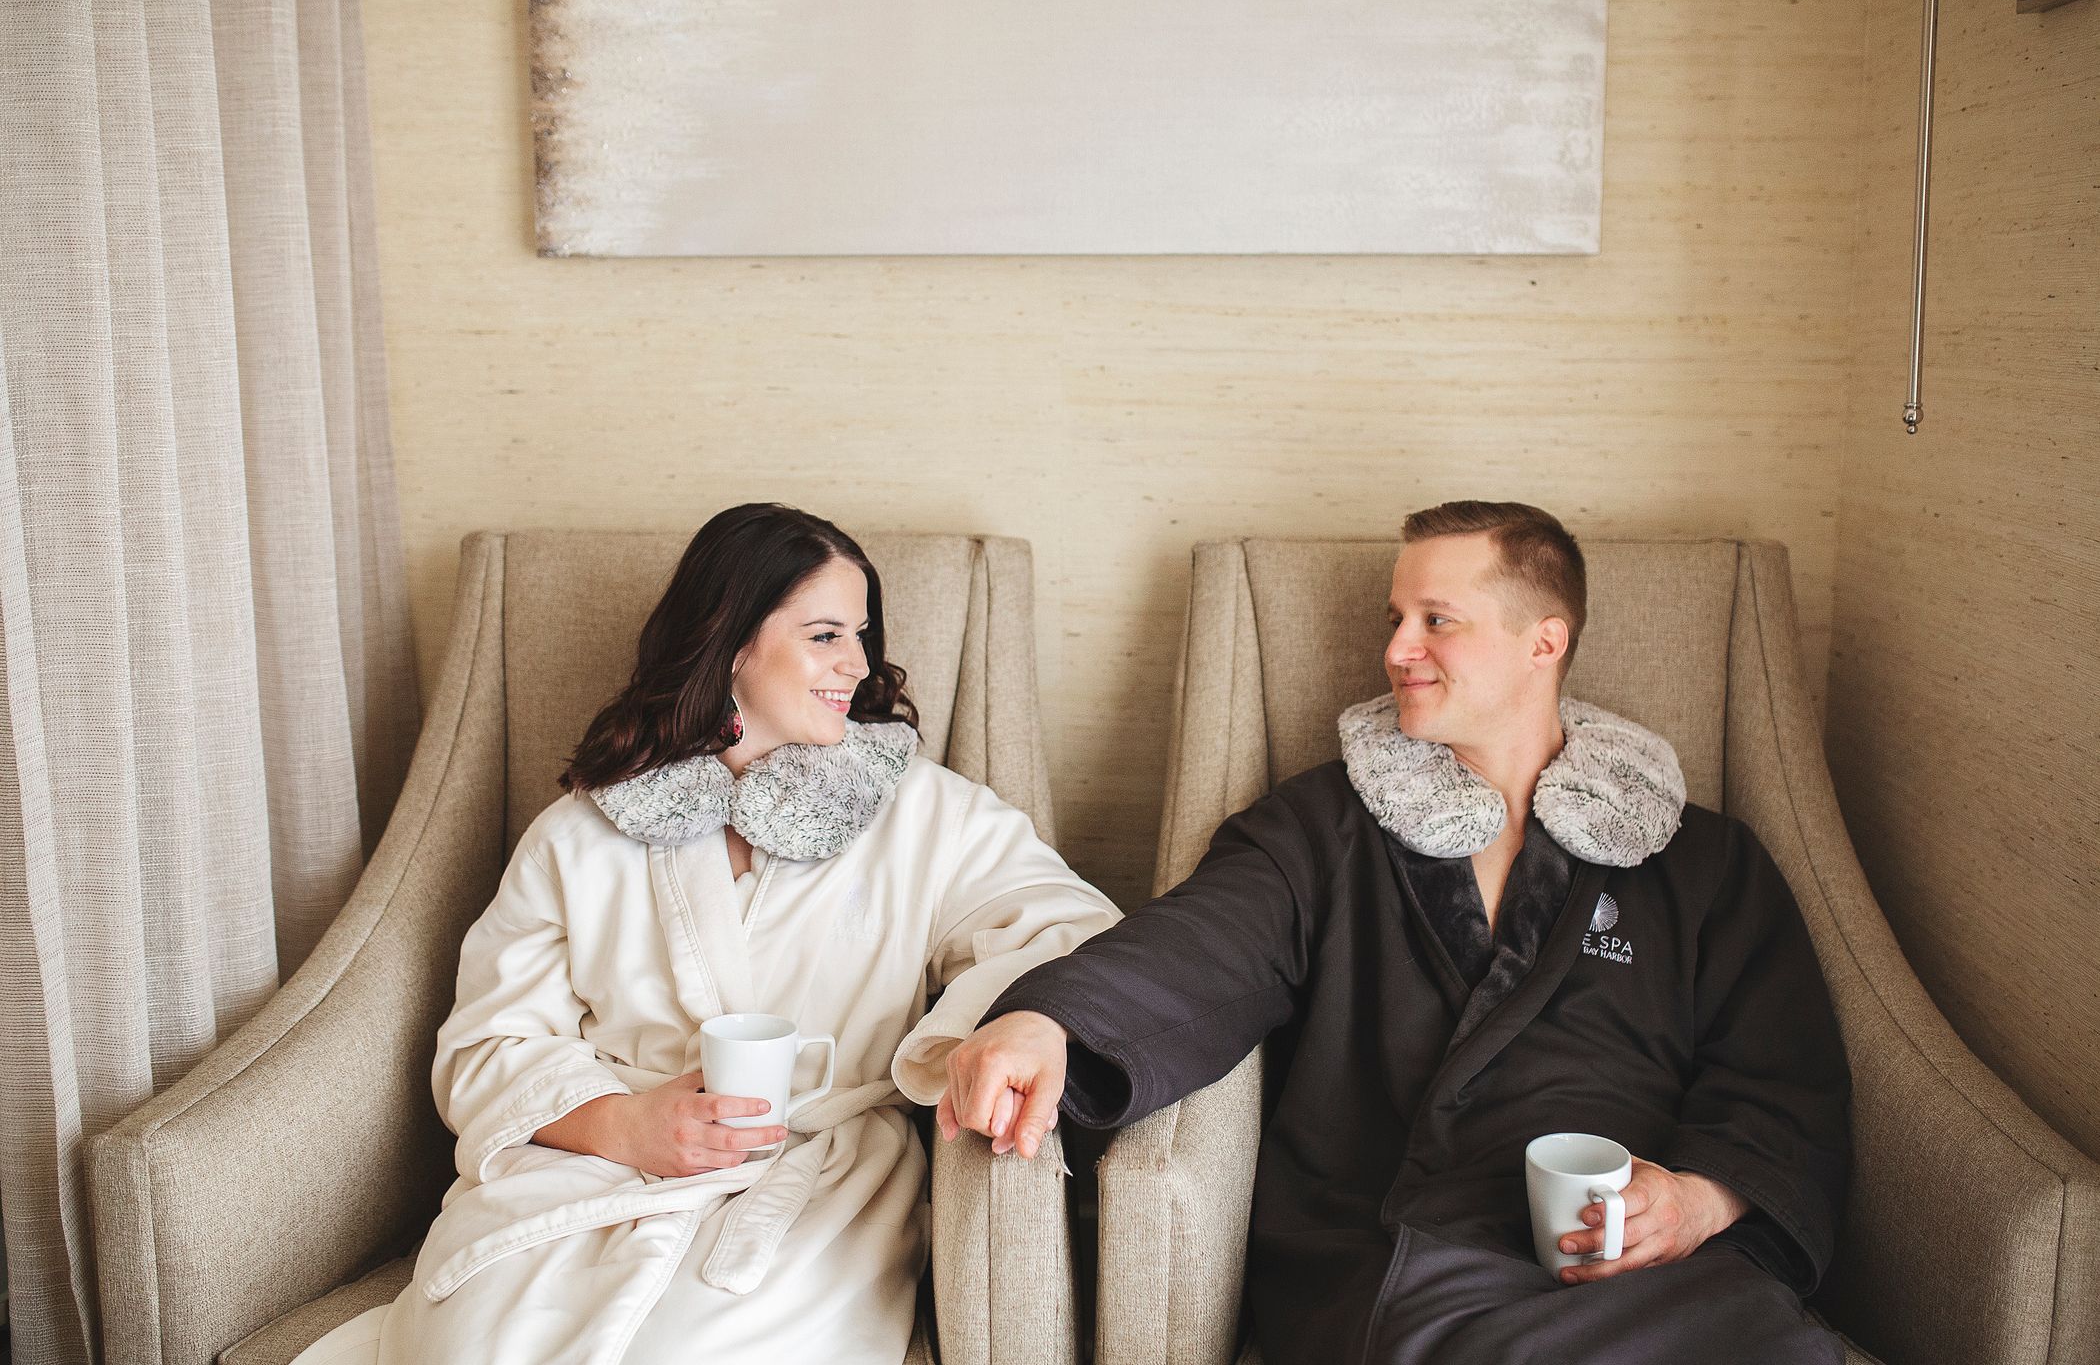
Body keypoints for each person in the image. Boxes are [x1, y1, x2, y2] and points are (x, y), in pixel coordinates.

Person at [942, 501, 1852, 1365]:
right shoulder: (1326, 826)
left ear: (1546, 641)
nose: (1396, 649)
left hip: (1660, 1269)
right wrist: (1051, 1021)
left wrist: (1698, 1200)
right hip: (1405, 1246)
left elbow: (1780, 1070)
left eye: (1435, 621)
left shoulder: (1701, 862)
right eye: (1394, 618)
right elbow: (1203, 944)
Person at [291, 503, 1118, 1365]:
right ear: (729, 642)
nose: (857, 664)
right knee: (470, 1345)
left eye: (860, 635)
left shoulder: (921, 813)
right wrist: (623, 1124)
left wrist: (1019, 1023)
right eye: (826, 634)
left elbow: (1073, 929)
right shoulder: (583, 832)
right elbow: (485, 1042)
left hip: (813, 1183)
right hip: (588, 1177)